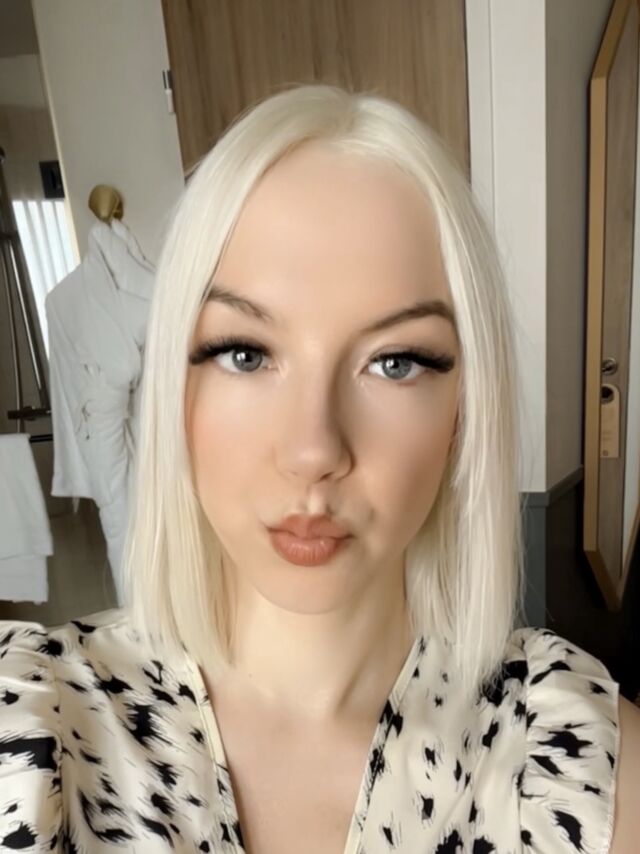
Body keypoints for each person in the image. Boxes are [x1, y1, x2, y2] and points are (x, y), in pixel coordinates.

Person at [0, 84, 638, 853]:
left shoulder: (580, 765)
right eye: (244, 354)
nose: (313, 450)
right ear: (173, 380)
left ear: (466, 409)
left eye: (395, 361)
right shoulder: (32, 731)